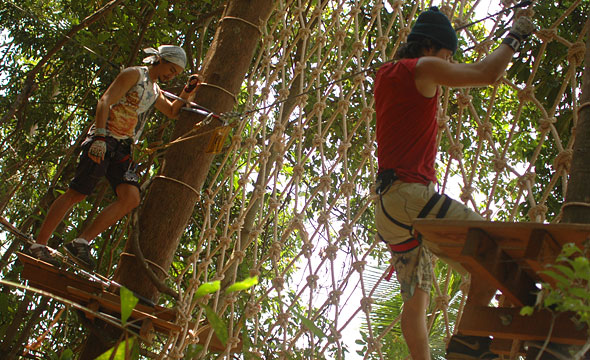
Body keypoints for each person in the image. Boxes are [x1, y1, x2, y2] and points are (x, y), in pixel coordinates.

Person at [373, 7, 534, 360]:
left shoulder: (385, 74)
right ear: (431, 48)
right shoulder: (423, 68)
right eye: (448, 56)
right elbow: (487, 73)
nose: (448, 64)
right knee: (495, 254)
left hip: (388, 208)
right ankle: (468, 340)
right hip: (412, 196)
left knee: (416, 302)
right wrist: (515, 35)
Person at [29, 45, 201, 271]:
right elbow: (105, 100)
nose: (171, 75)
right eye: (171, 69)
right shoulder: (134, 74)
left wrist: (187, 91)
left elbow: (171, 111)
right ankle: (38, 245)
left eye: (176, 73)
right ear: (160, 60)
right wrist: (99, 137)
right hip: (105, 138)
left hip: (123, 147)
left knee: (131, 197)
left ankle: (81, 242)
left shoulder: (155, 89)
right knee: (77, 193)